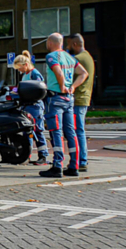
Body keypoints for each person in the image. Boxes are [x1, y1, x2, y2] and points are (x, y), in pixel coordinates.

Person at [40, 32, 89, 179]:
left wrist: (62, 86)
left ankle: (57, 166)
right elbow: (83, 73)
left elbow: (58, 73)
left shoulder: (51, 57)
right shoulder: (70, 58)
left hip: (56, 98)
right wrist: (72, 87)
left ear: (50, 42)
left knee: (56, 132)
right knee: (71, 133)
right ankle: (74, 165)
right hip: (69, 99)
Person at [12, 51, 49, 165]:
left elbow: (38, 90)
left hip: (34, 106)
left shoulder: (35, 74)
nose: (19, 70)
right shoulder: (26, 74)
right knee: (27, 131)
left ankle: (43, 155)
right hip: (28, 106)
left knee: (37, 130)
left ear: (25, 65)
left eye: (19, 68)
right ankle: (26, 155)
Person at [68, 34, 95, 173]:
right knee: (80, 129)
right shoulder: (88, 57)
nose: (67, 48)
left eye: (68, 45)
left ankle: (81, 160)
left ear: (74, 44)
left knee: (78, 130)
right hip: (85, 98)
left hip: (78, 98)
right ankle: (82, 159)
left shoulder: (77, 59)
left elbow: (68, 78)